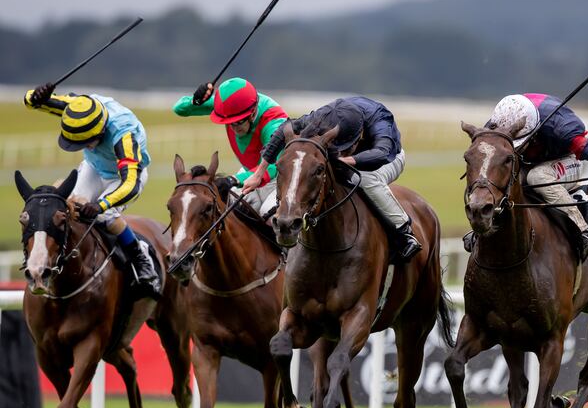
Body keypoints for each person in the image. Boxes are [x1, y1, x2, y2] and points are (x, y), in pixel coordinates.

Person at [24, 83, 160, 299]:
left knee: (105, 215)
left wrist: (101, 204)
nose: (85, 147)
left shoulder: (123, 134)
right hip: (94, 168)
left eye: (86, 143)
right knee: (68, 207)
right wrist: (36, 95)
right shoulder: (80, 107)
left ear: (100, 132)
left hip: (126, 175)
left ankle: (140, 256)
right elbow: (34, 103)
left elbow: (131, 184)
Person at [255, 96, 422, 261]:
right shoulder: (320, 118)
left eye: (346, 148)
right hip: (351, 151)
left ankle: (403, 230)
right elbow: (284, 128)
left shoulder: (380, 121)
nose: (341, 151)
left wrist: (346, 160)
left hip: (389, 158)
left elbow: (382, 153)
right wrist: (259, 172)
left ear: (359, 135)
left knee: (363, 179)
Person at [473, 93, 588, 259]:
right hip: (529, 160)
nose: (517, 148)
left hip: (564, 159)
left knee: (536, 177)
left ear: (533, 131)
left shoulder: (560, 128)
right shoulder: (497, 124)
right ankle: (481, 231)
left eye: (520, 143)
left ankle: (583, 230)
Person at [173, 77, 287, 217]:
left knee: (270, 216)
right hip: (249, 173)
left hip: (280, 178)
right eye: (228, 122)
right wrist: (196, 100)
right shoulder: (227, 105)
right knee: (221, 211)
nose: (233, 128)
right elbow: (179, 109)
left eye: (238, 122)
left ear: (252, 114)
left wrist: (233, 180)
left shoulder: (274, 121)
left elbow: (272, 166)